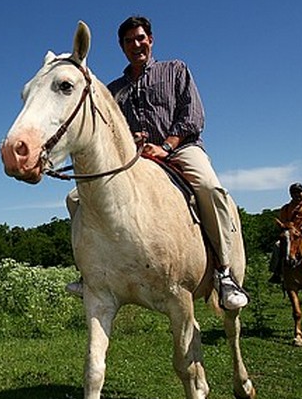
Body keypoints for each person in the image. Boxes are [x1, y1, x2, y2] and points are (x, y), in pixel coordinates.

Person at [103, 15, 248, 310]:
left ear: (151, 40)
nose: (136, 44)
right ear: (121, 46)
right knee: (79, 196)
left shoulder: (176, 69)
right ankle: (96, 275)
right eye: (129, 41)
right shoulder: (113, 90)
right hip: (136, 159)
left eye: (140, 38)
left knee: (210, 188)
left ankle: (224, 272)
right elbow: (110, 133)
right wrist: (132, 140)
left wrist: (166, 146)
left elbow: (192, 116)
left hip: (181, 149)